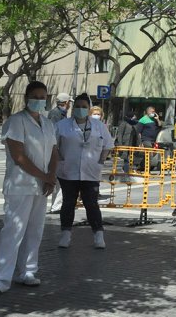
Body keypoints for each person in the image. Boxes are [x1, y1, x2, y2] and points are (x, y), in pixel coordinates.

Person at [0, 81, 58, 295]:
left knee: (35, 230)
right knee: (13, 230)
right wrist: (46, 176)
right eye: (35, 96)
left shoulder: (48, 124)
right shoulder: (16, 121)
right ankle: (1, 278)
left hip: (41, 186)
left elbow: (54, 151)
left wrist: (50, 176)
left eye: (43, 97)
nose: (39, 100)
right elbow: (19, 157)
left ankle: (28, 271)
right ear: (26, 98)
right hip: (20, 185)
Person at [55, 93, 114, 249]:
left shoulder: (99, 126)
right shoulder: (62, 125)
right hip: (68, 171)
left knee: (91, 204)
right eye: (78, 107)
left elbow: (108, 145)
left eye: (84, 107)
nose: (80, 109)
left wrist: (101, 161)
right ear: (73, 108)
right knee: (68, 203)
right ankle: (65, 234)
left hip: (90, 171)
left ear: (89, 109)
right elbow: (54, 145)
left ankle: (98, 235)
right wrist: (61, 159)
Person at [47, 93, 70, 213]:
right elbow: (55, 133)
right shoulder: (57, 115)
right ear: (66, 103)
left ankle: (56, 205)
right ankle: (56, 206)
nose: (70, 105)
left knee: (58, 182)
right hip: (57, 152)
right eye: (69, 103)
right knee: (59, 181)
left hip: (57, 152)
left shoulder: (59, 114)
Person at [135, 105, 162, 171]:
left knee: (149, 155)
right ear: (148, 111)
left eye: (154, 111)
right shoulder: (143, 119)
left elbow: (160, 125)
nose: (153, 113)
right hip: (146, 140)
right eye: (152, 111)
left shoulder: (154, 119)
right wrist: (140, 142)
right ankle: (147, 170)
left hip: (153, 140)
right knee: (149, 155)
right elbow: (138, 132)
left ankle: (141, 166)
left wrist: (158, 119)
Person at [114, 111, 139, 181]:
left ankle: (127, 170)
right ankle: (126, 173)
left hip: (133, 144)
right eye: (134, 116)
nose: (135, 117)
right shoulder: (124, 123)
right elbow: (119, 134)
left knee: (132, 159)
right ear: (131, 117)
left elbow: (137, 135)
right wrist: (120, 144)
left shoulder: (135, 124)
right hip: (125, 144)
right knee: (127, 159)